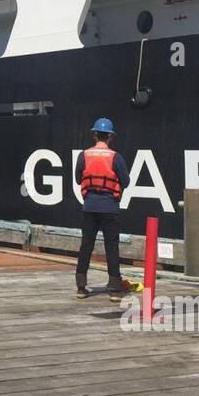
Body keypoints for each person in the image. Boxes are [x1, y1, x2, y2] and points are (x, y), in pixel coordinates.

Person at [73, 117, 134, 300]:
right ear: (110, 137)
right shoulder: (116, 157)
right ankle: (115, 289)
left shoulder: (84, 155)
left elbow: (78, 179)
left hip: (89, 207)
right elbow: (126, 181)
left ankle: (81, 287)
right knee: (112, 247)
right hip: (110, 208)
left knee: (86, 245)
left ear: (94, 135)